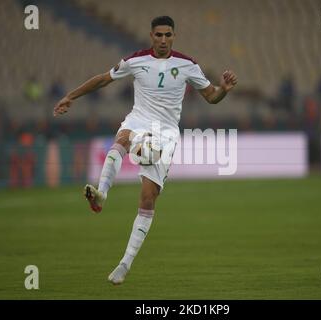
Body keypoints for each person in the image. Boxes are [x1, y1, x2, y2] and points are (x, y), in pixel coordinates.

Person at [53, 16, 238, 285]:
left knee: (148, 198)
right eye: (158, 35)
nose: (163, 40)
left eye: (168, 35)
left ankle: (124, 264)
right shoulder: (136, 60)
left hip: (165, 134)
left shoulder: (187, 65)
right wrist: (71, 96)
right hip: (138, 120)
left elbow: (211, 96)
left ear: (174, 36)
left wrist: (223, 89)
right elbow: (104, 80)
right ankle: (102, 193)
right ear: (151, 36)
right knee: (122, 140)